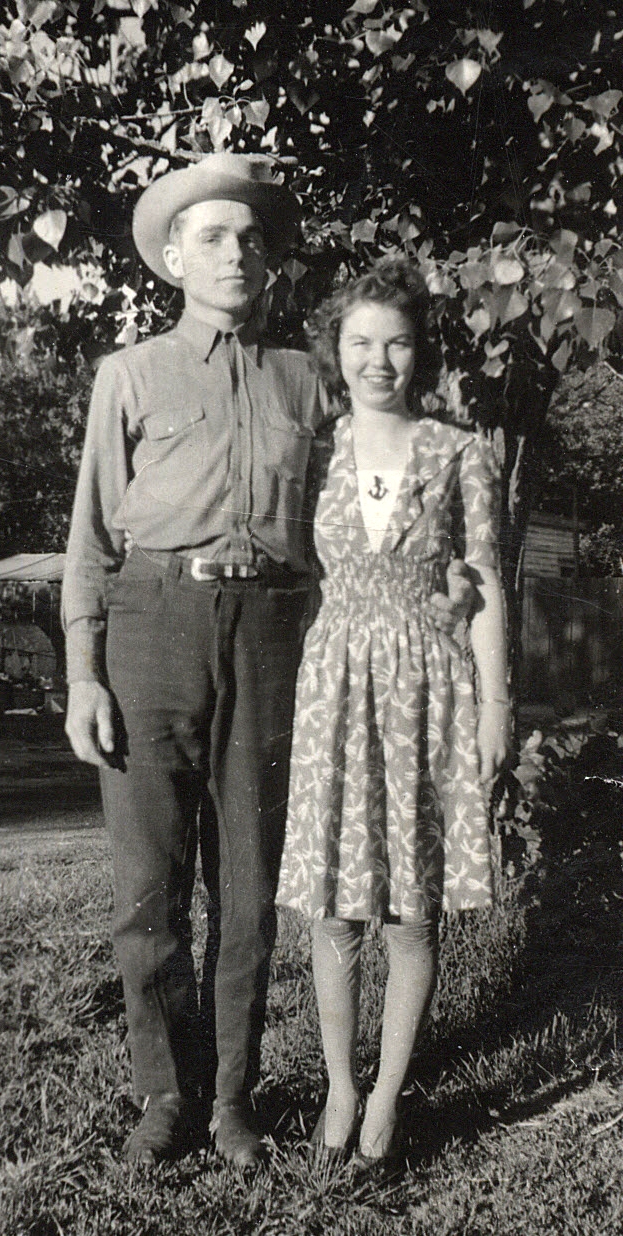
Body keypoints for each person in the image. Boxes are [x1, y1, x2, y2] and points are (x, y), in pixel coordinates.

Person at [62, 155, 474, 1169]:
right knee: (149, 888)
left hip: (276, 632)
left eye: (249, 238)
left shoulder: (305, 378)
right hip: (151, 621)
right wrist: (81, 668)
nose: (234, 254)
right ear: (172, 257)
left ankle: (231, 1102)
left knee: (248, 889)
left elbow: (378, 495)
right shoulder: (129, 374)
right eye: (211, 236)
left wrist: (445, 582)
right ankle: (164, 1098)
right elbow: (89, 539)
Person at [276, 258, 511, 1172]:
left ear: (422, 351)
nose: (380, 360)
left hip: (430, 691)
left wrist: (495, 704)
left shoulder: (460, 451)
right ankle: (339, 1082)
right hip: (333, 687)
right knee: (332, 906)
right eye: (362, 342)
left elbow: (482, 581)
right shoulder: (312, 450)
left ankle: (386, 1097)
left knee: (413, 912)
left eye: (398, 342)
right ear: (337, 350)